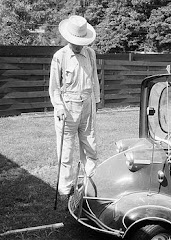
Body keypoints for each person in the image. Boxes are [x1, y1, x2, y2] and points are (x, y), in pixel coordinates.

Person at [49, 15, 100, 200]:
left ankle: (91, 185)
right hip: (67, 107)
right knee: (66, 150)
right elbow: (54, 87)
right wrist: (59, 107)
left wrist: (96, 102)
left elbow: (94, 79)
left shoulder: (91, 54)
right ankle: (65, 188)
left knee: (90, 146)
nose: (78, 46)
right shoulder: (59, 57)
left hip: (87, 105)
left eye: (81, 42)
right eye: (75, 42)